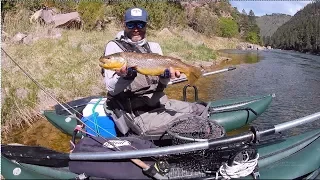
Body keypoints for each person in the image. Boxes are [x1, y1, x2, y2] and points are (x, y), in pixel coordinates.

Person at [103, 7, 206, 135]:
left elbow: (162, 84)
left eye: (140, 24)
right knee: (192, 120)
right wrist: (125, 78)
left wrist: (165, 77)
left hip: (159, 105)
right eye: (131, 24)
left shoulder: (154, 47)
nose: (136, 29)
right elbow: (111, 88)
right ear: (124, 25)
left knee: (200, 109)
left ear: (146, 25)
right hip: (136, 114)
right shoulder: (114, 47)